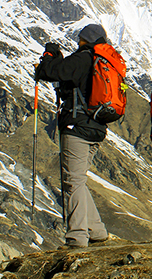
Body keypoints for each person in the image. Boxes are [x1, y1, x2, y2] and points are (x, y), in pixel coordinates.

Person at [35, 23, 110, 248]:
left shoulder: (83, 58)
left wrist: (50, 55)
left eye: (80, 39)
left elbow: (50, 72)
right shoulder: (103, 62)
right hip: (97, 128)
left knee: (72, 182)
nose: (77, 43)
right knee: (78, 180)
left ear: (86, 40)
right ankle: (96, 231)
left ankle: (77, 236)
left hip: (76, 127)